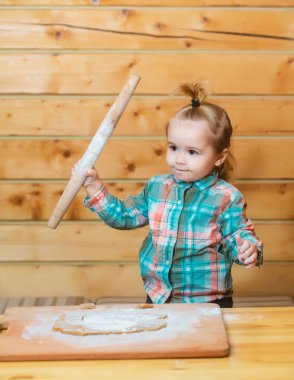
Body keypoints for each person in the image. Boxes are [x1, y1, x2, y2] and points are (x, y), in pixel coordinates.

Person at [81, 82, 263, 308]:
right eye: (173, 148)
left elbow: (237, 234)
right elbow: (124, 216)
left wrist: (247, 248)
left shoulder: (226, 197)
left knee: (206, 345)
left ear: (219, 157)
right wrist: (94, 187)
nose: (179, 159)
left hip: (208, 302)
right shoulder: (157, 187)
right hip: (159, 297)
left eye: (192, 152)